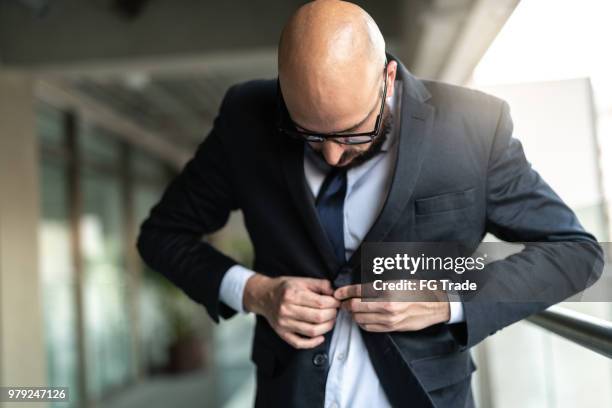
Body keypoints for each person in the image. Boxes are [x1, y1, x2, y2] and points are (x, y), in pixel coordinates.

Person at [137, 1, 602, 407]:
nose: (333, 155)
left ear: (388, 77)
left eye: (352, 132)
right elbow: (162, 235)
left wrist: (445, 299)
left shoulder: (473, 126)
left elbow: (576, 252)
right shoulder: (247, 115)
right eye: (310, 136)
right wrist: (256, 291)